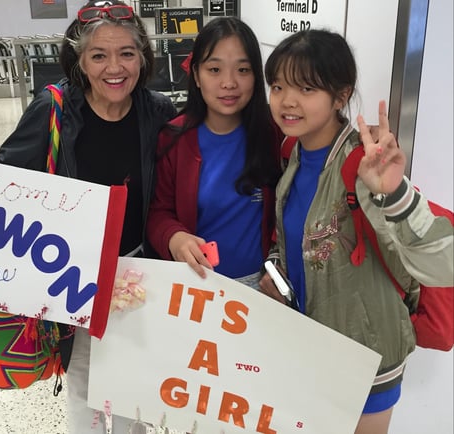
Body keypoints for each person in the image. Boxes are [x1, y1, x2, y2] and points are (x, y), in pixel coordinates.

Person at [0, 1, 177, 432]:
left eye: (127, 54)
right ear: (79, 62)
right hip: (73, 279)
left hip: (140, 275)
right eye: (99, 55)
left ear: (143, 58)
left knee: (136, 391)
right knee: (84, 389)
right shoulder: (54, 109)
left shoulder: (159, 113)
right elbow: (8, 184)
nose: (114, 67)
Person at [260, 29, 453, 434]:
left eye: (306, 88)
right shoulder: (292, 154)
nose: (286, 100)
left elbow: (442, 266)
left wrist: (396, 193)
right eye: (277, 86)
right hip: (310, 343)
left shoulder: (362, 167)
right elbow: (291, 237)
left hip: (367, 356)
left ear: (341, 95)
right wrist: (276, 273)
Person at [146, 17, 282, 289]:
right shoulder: (173, 138)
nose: (229, 83)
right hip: (198, 285)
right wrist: (175, 237)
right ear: (196, 75)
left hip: (262, 289)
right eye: (215, 69)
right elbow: (158, 212)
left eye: (243, 70)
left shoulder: (274, 134)